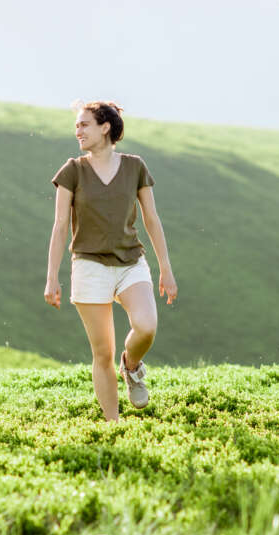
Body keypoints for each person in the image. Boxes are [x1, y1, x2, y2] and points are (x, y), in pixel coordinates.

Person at [45, 101, 178, 421]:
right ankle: (112, 424)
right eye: (77, 125)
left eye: (84, 124)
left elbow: (152, 219)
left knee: (146, 326)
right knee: (102, 354)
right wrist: (52, 276)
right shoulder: (72, 171)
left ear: (105, 127)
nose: (78, 131)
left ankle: (131, 367)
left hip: (131, 262)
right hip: (89, 265)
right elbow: (61, 225)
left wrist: (166, 269)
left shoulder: (135, 167)